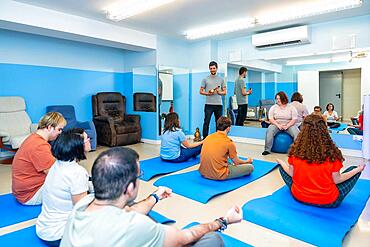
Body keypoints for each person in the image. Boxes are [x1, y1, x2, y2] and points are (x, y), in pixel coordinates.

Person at [61, 147, 243, 247]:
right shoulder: (136, 227)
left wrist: (155, 197)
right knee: (212, 240)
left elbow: (129, 210)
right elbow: (185, 236)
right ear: (130, 188)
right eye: (138, 176)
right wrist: (223, 220)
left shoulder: (82, 204)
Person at [277, 114, 364, 208]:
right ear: (324, 130)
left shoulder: (296, 152)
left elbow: (291, 173)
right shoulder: (332, 154)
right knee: (353, 169)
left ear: (304, 130)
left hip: (299, 197)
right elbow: (337, 180)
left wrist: (282, 163)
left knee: (282, 168)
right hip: (329, 201)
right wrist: (358, 170)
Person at [36, 128, 91, 246]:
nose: (89, 140)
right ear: (78, 146)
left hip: (44, 229)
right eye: (86, 139)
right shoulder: (77, 172)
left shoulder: (57, 164)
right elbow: (81, 208)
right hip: (59, 235)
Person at [12, 112, 66, 205]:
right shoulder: (39, 146)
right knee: (73, 186)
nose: (60, 133)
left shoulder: (33, 138)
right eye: (59, 129)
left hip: (23, 192)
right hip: (31, 195)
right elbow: (55, 174)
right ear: (49, 127)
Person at [262, 91, 299, 156]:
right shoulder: (273, 107)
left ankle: (297, 151)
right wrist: (278, 125)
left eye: (279, 99)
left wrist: (287, 126)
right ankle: (267, 150)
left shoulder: (291, 107)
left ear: (283, 98)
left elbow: (294, 119)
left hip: (289, 124)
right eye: (276, 99)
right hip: (277, 124)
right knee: (270, 130)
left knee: (297, 133)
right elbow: (271, 119)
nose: (277, 100)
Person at [200, 61, 226, 138]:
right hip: (208, 105)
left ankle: (219, 138)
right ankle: (204, 139)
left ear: (216, 68)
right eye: (211, 68)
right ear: (209, 69)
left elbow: (224, 92)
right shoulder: (205, 79)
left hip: (218, 105)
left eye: (214, 68)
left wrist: (219, 92)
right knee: (206, 122)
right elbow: (201, 91)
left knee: (219, 123)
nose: (212, 70)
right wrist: (208, 94)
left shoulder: (221, 79)